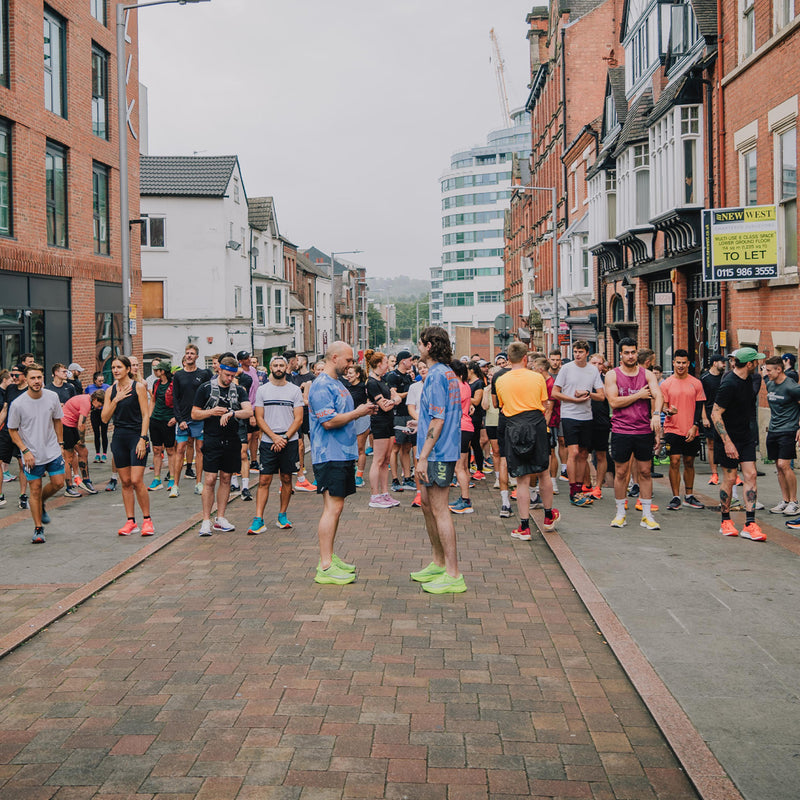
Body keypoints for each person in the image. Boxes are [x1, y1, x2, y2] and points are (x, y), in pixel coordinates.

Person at [308, 341, 375, 584]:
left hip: (342, 452)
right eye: (347, 360)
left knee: (336, 508)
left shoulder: (337, 383)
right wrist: (359, 413)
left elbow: (344, 414)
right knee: (332, 508)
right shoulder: (321, 386)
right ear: (334, 357)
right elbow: (328, 422)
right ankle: (325, 565)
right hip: (330, 454)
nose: (351, 366)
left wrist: (365, 410)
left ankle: (329, 557)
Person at [409, 326, 466, 594]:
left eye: (420, 344)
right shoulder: (447, 373)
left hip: (437, 453)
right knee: (428, 505)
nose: (418, 348)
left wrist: (422, 456)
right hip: (438, 449)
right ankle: (438, 562)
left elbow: (439, 418)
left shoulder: (435, 376)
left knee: (440, 509)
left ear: (429, 346)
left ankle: (453, 573)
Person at [495, 343, 558, 539]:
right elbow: (544, 403)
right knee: (544, 473)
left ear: (509, 358)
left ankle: (524, 526)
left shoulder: (501, 380)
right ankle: (548, 516)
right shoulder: (537, 377)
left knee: (521, 479)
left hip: (514, 425)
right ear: (525, 358)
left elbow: (502, 405)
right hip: (537, 424)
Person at [605, 338, 663, 530]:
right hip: (621, 429)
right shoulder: (612, 375)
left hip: (643, 429)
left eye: (633, 352)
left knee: (645, 472)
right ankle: (620, 513)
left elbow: (658, 394)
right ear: (620, 354)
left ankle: (647, 515)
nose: (630, 356)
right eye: (627, 352)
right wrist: (638, 395)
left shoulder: (647, 374)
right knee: (621, 472)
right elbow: (613, 402)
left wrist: (656, 415)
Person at [191, 356, 252, 536]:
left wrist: (233, 413)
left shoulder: (238, 390)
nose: (229, 379)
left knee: (226, 478)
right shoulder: (206, 388)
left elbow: (248, 411)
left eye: (233, 375)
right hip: (212, 437)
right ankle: (205, 520)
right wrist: (211, 412)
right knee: (209, 479)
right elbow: (194, 413)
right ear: (219, 370)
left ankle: (221, 517)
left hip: (232, 439)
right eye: (227, 375)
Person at [711, 347, 766, 541]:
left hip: (745, 436)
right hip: (728, 438)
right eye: (756, 361)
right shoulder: (729, 384)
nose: (758, 364)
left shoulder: (749, 380)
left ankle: (750, 524)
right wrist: (727, 442)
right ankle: (725, 520)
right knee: (730, 477)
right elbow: (715, 413)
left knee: (751, 474)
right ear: (749, 364)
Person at [7, 364, 65, 543]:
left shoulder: (52, 396)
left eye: (39, 377)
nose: (37, 381)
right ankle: (38, 528)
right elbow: (12, 430)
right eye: (32, 378)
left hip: (52, 449)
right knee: (35, 488)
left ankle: (40, 503)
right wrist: (25, 451)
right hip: (31, 453)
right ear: (26, 379)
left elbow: (57, 420)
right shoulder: (18, 404)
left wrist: (60, 443)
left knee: (58, 483)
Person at [248, 355, 304, 534]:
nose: (278, 368)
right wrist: (273, 437)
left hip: (289, 440)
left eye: (281, 365)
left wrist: (285, 438)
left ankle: (282, 515)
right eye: (275, 365)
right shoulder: (263, 390)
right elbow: (259, 417)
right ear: (270, 368)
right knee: (264, 479)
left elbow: (299, 418)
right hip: (268, 441)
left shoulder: (294, 390)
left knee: (287, 478)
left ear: (286, 367)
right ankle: (258, 519)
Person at [102, 356, 154, 537]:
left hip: (136, 436)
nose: (115, 370)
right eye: (113, 367)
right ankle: (131, 521)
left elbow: (146, 415)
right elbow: (104, 418)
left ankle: (147, 520)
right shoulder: (110, 391)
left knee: (136, 480)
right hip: (119, 437)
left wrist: (143, 438)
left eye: (119, 367)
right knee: (125, 482)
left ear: (127, 369)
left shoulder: (138, 387)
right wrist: (115, 400)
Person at [551, 341, 605, 507]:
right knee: (573, 452)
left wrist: (588, 393)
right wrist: (573, 399)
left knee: (583, 454)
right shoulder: (566, 369)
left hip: (586, 416)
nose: (577, 355)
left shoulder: (592, 370)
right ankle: (573, 490)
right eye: (575, 352)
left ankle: (580, 489)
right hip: (569, 415)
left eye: (580, 352)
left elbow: (601, 396)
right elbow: (555, 392)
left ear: (587, 353)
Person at [660, 349, 706, 511]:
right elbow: (663, 406)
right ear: (673, 363)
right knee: (674, 461)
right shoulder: (666, 384)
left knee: (689, 462)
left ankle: (689, 495)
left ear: (688, 364)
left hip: (691, 429)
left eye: (683, 363)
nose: (680, 365)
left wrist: (695, 426)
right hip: (672, 428)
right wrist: (667, 411)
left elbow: (700, 406)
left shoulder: (696, 383)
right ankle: (675, 497)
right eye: (678, 362)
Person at [170, 344, 212, 498]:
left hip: (199, 418)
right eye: (187, 353)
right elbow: (175, 399)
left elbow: (209, 396)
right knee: (180, 449)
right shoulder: (178, 375)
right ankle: (175, 485)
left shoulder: (204, 374)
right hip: (183, 419)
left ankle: (199, 483)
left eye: (192, 353)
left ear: (197, 357)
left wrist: (206, 414)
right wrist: (179, 419)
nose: (189, 356)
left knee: (199, 449)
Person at [762, 356, 800, 517]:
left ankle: (794, 502)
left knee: (785, 464)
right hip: (773, 430)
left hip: (788, 429)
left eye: (769, 370)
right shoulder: (770, 383)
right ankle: (785, 500)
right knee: (778, 466)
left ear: (779, 369)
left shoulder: (792, 387)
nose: (767, 373)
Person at [365, 349, 399, 508]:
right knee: (378, 460)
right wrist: (394, 401)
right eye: (386, 362)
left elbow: (392, 398)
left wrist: (393, 400)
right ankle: (374, 495)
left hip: (389, 423)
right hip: (379, 423)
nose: (388, 365)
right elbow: (384, 406)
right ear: (379, 364)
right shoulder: (371, 382)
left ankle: (385, 493)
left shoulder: (382, 380)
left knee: (386, 460)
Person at [61, 390, 104, 497]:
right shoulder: (86, 403)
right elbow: (81, 425)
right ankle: (69, 487)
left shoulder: (87, 400)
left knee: (83, 452)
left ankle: (86, 480)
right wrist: (82, 440)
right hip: (65, 426)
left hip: (71, 425)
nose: (99, 407)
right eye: (100, 404)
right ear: (95, 399)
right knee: (69, 457)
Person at [386, 350, 416, 492]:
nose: (412, 363)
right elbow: (395, 395)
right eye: (410, 360)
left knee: (407, 447)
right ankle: (395, 479)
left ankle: (408, 478)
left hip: (409, 414)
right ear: (403, 361)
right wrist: (410, 392)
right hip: (398, 415)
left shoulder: (409, 376)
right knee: (396, 447)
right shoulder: (393, 376)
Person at [1, 366, 30, 508]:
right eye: (12, 375)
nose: (13, 378)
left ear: (24, 376)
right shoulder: (10, 389)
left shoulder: (29, 391)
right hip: (7, 430)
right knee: (0, 462)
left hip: (22, 433)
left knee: (22, 464)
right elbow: (5, 409)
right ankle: (0, 496)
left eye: (16, 375)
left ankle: (23, 495)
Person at [448, 360, 475, 514]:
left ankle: (465, 500)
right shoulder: (465, 385)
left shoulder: (456, 386)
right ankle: (464, 498)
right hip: (466, 426)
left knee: (459, 468)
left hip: (460, 427)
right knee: (463, 467)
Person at [148, 361, 176, 492]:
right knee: (156, 449)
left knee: (170, 450)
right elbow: (153, 400)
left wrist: (176, 417)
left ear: (163, 371)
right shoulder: (156, 383)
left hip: (168, 420)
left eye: (157, 370)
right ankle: (157, 479)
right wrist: (149, 417)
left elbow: (179, 402)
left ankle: (172, 478)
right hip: (155, 419)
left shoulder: (174, 384)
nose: (155, 371)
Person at [490, 353, 512, 517]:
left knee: (503, 458)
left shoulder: (497, 376)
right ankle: (531, 495)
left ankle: (505, 502)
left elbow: (496, 403)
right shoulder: (532, 375)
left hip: (504, 418)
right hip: (526, 420)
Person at [586, 354, 610, 499]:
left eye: (599, 363)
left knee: (601, 454)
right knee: (583, 454)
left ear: (603, 366)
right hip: (585, 418)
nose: (596, 366)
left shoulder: (606, 380)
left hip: (601, 420)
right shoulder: (583, 378)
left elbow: (608, 395)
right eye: (593, 362)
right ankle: (586, 483)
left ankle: (598, 486)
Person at [343, 364, 370, 488]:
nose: (348, 376)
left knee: (360, 448)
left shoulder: (364, 387)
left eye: (351, 373)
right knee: (349, 448)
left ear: (358, 375)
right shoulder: (345, 387)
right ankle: (351, 472)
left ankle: (359, 475)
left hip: (362, 419)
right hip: (349, 418)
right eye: (347, 373)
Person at [291, 353, 316, 491]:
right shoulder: (294, 377)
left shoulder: (311, 378)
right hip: (298, 413)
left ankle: (316, 465)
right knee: (299, 443)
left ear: (304, 361)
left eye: (298, 359)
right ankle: (301, 467)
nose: (296, 362)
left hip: (309, 414)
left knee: (313, 440)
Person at [701, 353, 726, 485]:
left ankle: (729, 471)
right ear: (715, 363)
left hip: (723, 414)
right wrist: (704, 417)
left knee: (725, 442)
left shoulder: (725, 377)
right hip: (710, 413)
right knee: (710, 445)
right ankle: (714, 474)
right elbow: (701, 400)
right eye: (722, 362)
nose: (724, 364)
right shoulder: (705, 378)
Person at [406, 360, 428, 508]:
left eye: (425, 367)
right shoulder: (414, 387)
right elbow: (411, 407)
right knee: (417, 459)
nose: (422, 370)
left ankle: (430, 492)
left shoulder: (437, 385)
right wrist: (419, 420)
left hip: (432, 427)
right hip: (418, 426)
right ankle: (419, 492)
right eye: (419, 368)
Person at [237, 350, 261, 472]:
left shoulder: (253, 370)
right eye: (246, 358)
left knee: (256, 435)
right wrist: (250, 413)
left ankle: (254, 460)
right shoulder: (240, 374)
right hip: (246, 408)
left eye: (249, 357)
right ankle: (242, 460)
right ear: (240, 361)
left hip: (256, 406)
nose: (249, 359)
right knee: (248, 436)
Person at [466, 361, 486, 481]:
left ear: (472, 370)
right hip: (467, 415)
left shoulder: (479, 383)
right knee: (467, 444)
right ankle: (467, 467)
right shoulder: (467, 382)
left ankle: (479, 468)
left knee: (475, 443)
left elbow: (477, 401)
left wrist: (464, 396)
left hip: (475, 416)